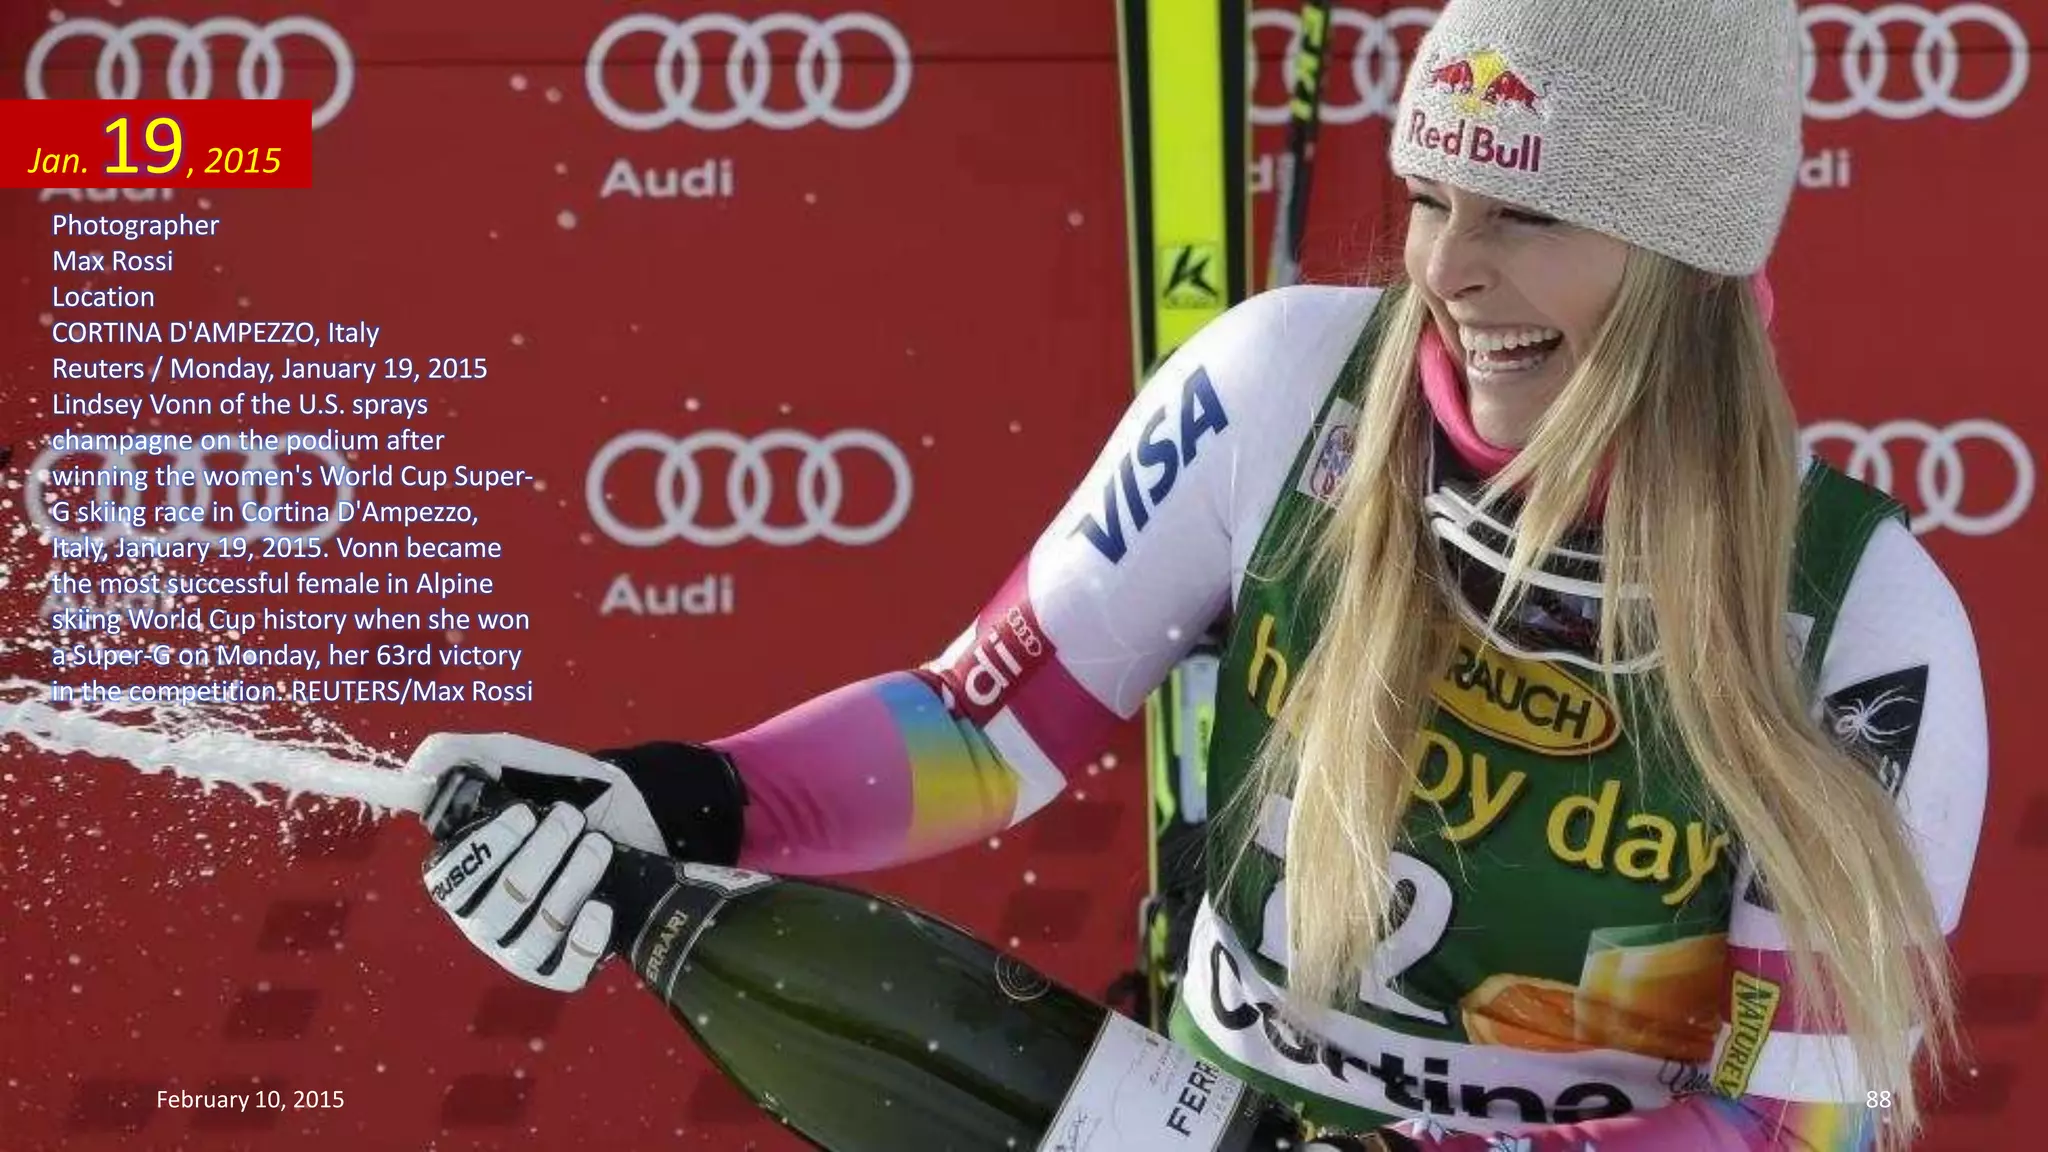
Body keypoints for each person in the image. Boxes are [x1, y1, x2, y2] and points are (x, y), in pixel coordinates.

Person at [410, 0, 1988, 1147]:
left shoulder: (1856, 618)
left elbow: (1792, 1126)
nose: (1447, 270)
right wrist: (666, 799)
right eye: (1431, 196)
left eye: (1530, 212)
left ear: (1689, 264)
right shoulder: (1286, 387)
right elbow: (982, 728)